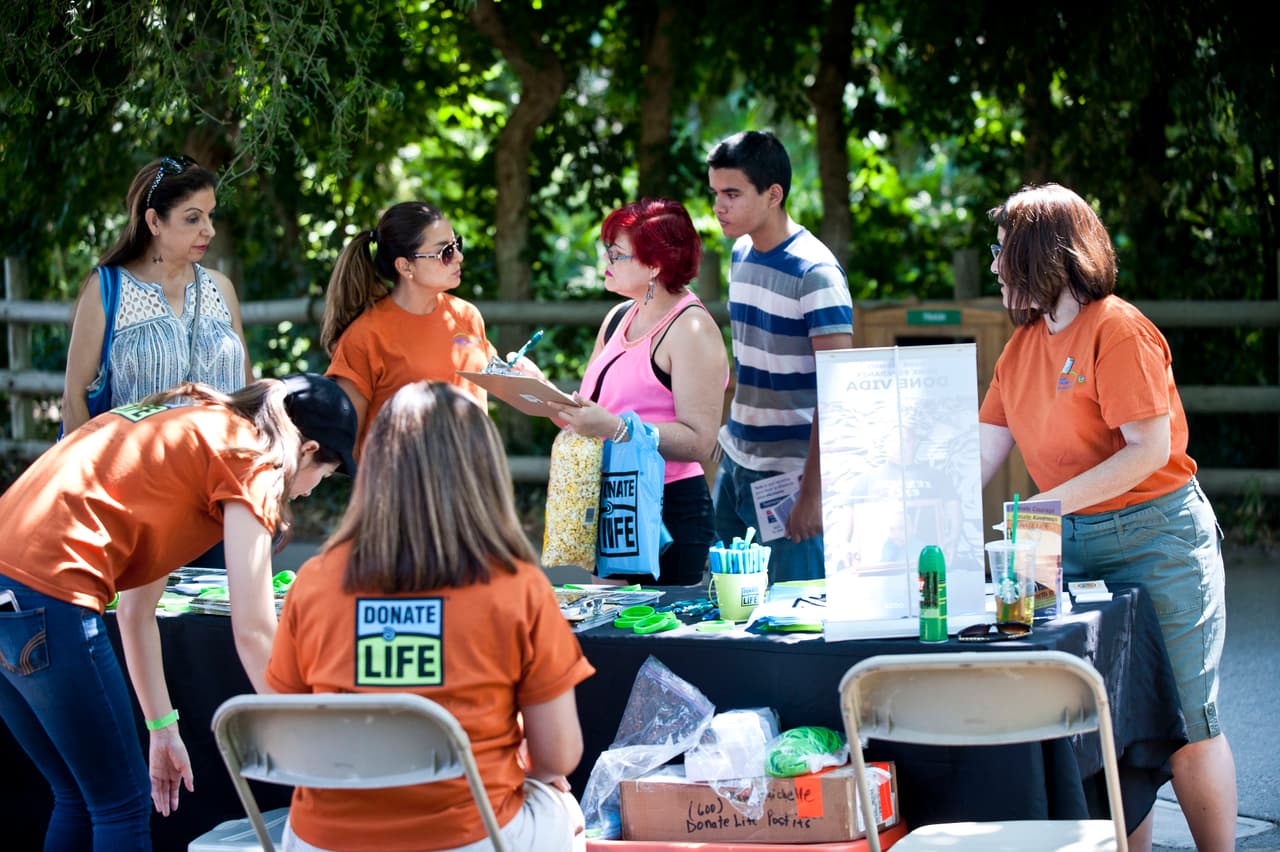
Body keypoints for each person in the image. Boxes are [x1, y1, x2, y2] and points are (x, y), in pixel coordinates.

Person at [978, 182, 1237, 852]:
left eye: (1003, 249)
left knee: (1186, 722)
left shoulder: (1118, 329)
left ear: (1040, 253)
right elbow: (978, 453)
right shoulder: (1021, 348)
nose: (996, 264)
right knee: (1110, 729)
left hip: (1158, 536)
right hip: (1064, 544)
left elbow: (1148, 451)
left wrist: (1045, 505)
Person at [0, 373, 357, 851]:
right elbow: (252, 629)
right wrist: (305, 736)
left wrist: (161, 726)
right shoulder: (255, 458)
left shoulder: (199, 428)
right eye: (324, 476)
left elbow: (136, 611)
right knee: (121, 806)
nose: (310, 492)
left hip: (15, 586)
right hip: (50, 590)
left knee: (79, 797)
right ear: (308, 450)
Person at [267, 381, 593, 852]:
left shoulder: (313, 582)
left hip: (327, 841)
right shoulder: (518, 586)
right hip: (473, 837)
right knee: (565, 809)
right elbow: (558, 755)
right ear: (483, 472)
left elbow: (289, 738)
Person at [548, 199, 728, 586]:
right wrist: (534, 390)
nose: (606, 261)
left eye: (617, 253)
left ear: (655, 264)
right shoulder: (617, 318)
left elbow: (700, 440)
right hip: (609, 505)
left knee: (658, 643)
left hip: (665, 509)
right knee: (607, 640)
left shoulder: (691, 328)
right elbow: (592, 412)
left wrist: (618, 428)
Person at [706, 130, 854, 581]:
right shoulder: (740, 253)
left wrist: (813, 493)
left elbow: (838, 395)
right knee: (723, 617)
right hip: (734, 466)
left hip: (791, 480)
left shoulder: (817, 274)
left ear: (774, 194)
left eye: (732, 193)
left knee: (794, 628)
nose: (719, 206)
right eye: (715, 193)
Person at [322, 201, 535, 455]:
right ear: (405, 266)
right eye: (445, 252)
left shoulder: (467, 316)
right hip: (402, 486)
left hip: (473, 478)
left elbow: (488, 384)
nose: (459, 257)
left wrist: (527, 379)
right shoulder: (364, 337)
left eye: (457, 245)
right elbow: (347, 441)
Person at [62, 155, 254, 435]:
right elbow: (73, 400)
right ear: (154, 221)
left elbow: (247, 391)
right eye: (193, 218)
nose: (209, 230)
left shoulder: (221, 288)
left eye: (210, 216)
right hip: (138, 475)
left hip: (223, 473)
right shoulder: (106, 289)